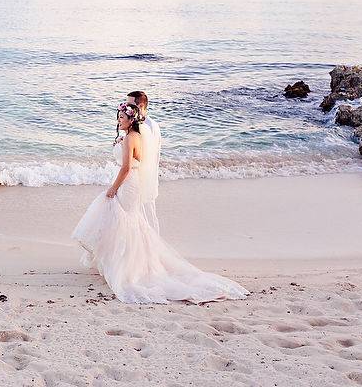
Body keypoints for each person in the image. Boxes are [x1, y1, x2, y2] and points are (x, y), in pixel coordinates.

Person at [71, 101, 248, 304]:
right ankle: (120, 263)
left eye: (122, 117)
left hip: (128, 184)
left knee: (124, 222)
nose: (118, 120)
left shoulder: (131, 138)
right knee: (126, 222)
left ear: (131, 119)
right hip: (131, 182)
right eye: (118, 117)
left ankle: (128, 268)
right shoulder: (133, 136)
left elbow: (127, 167)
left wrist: (114, 187)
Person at [127, 91, 161, 233]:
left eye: (129, 105)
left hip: (142, 176)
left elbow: (146, 156)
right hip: (135, 176)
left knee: (145, 217)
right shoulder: (137, 124)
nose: (127, 108)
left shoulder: (148, 126)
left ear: (140, 105)